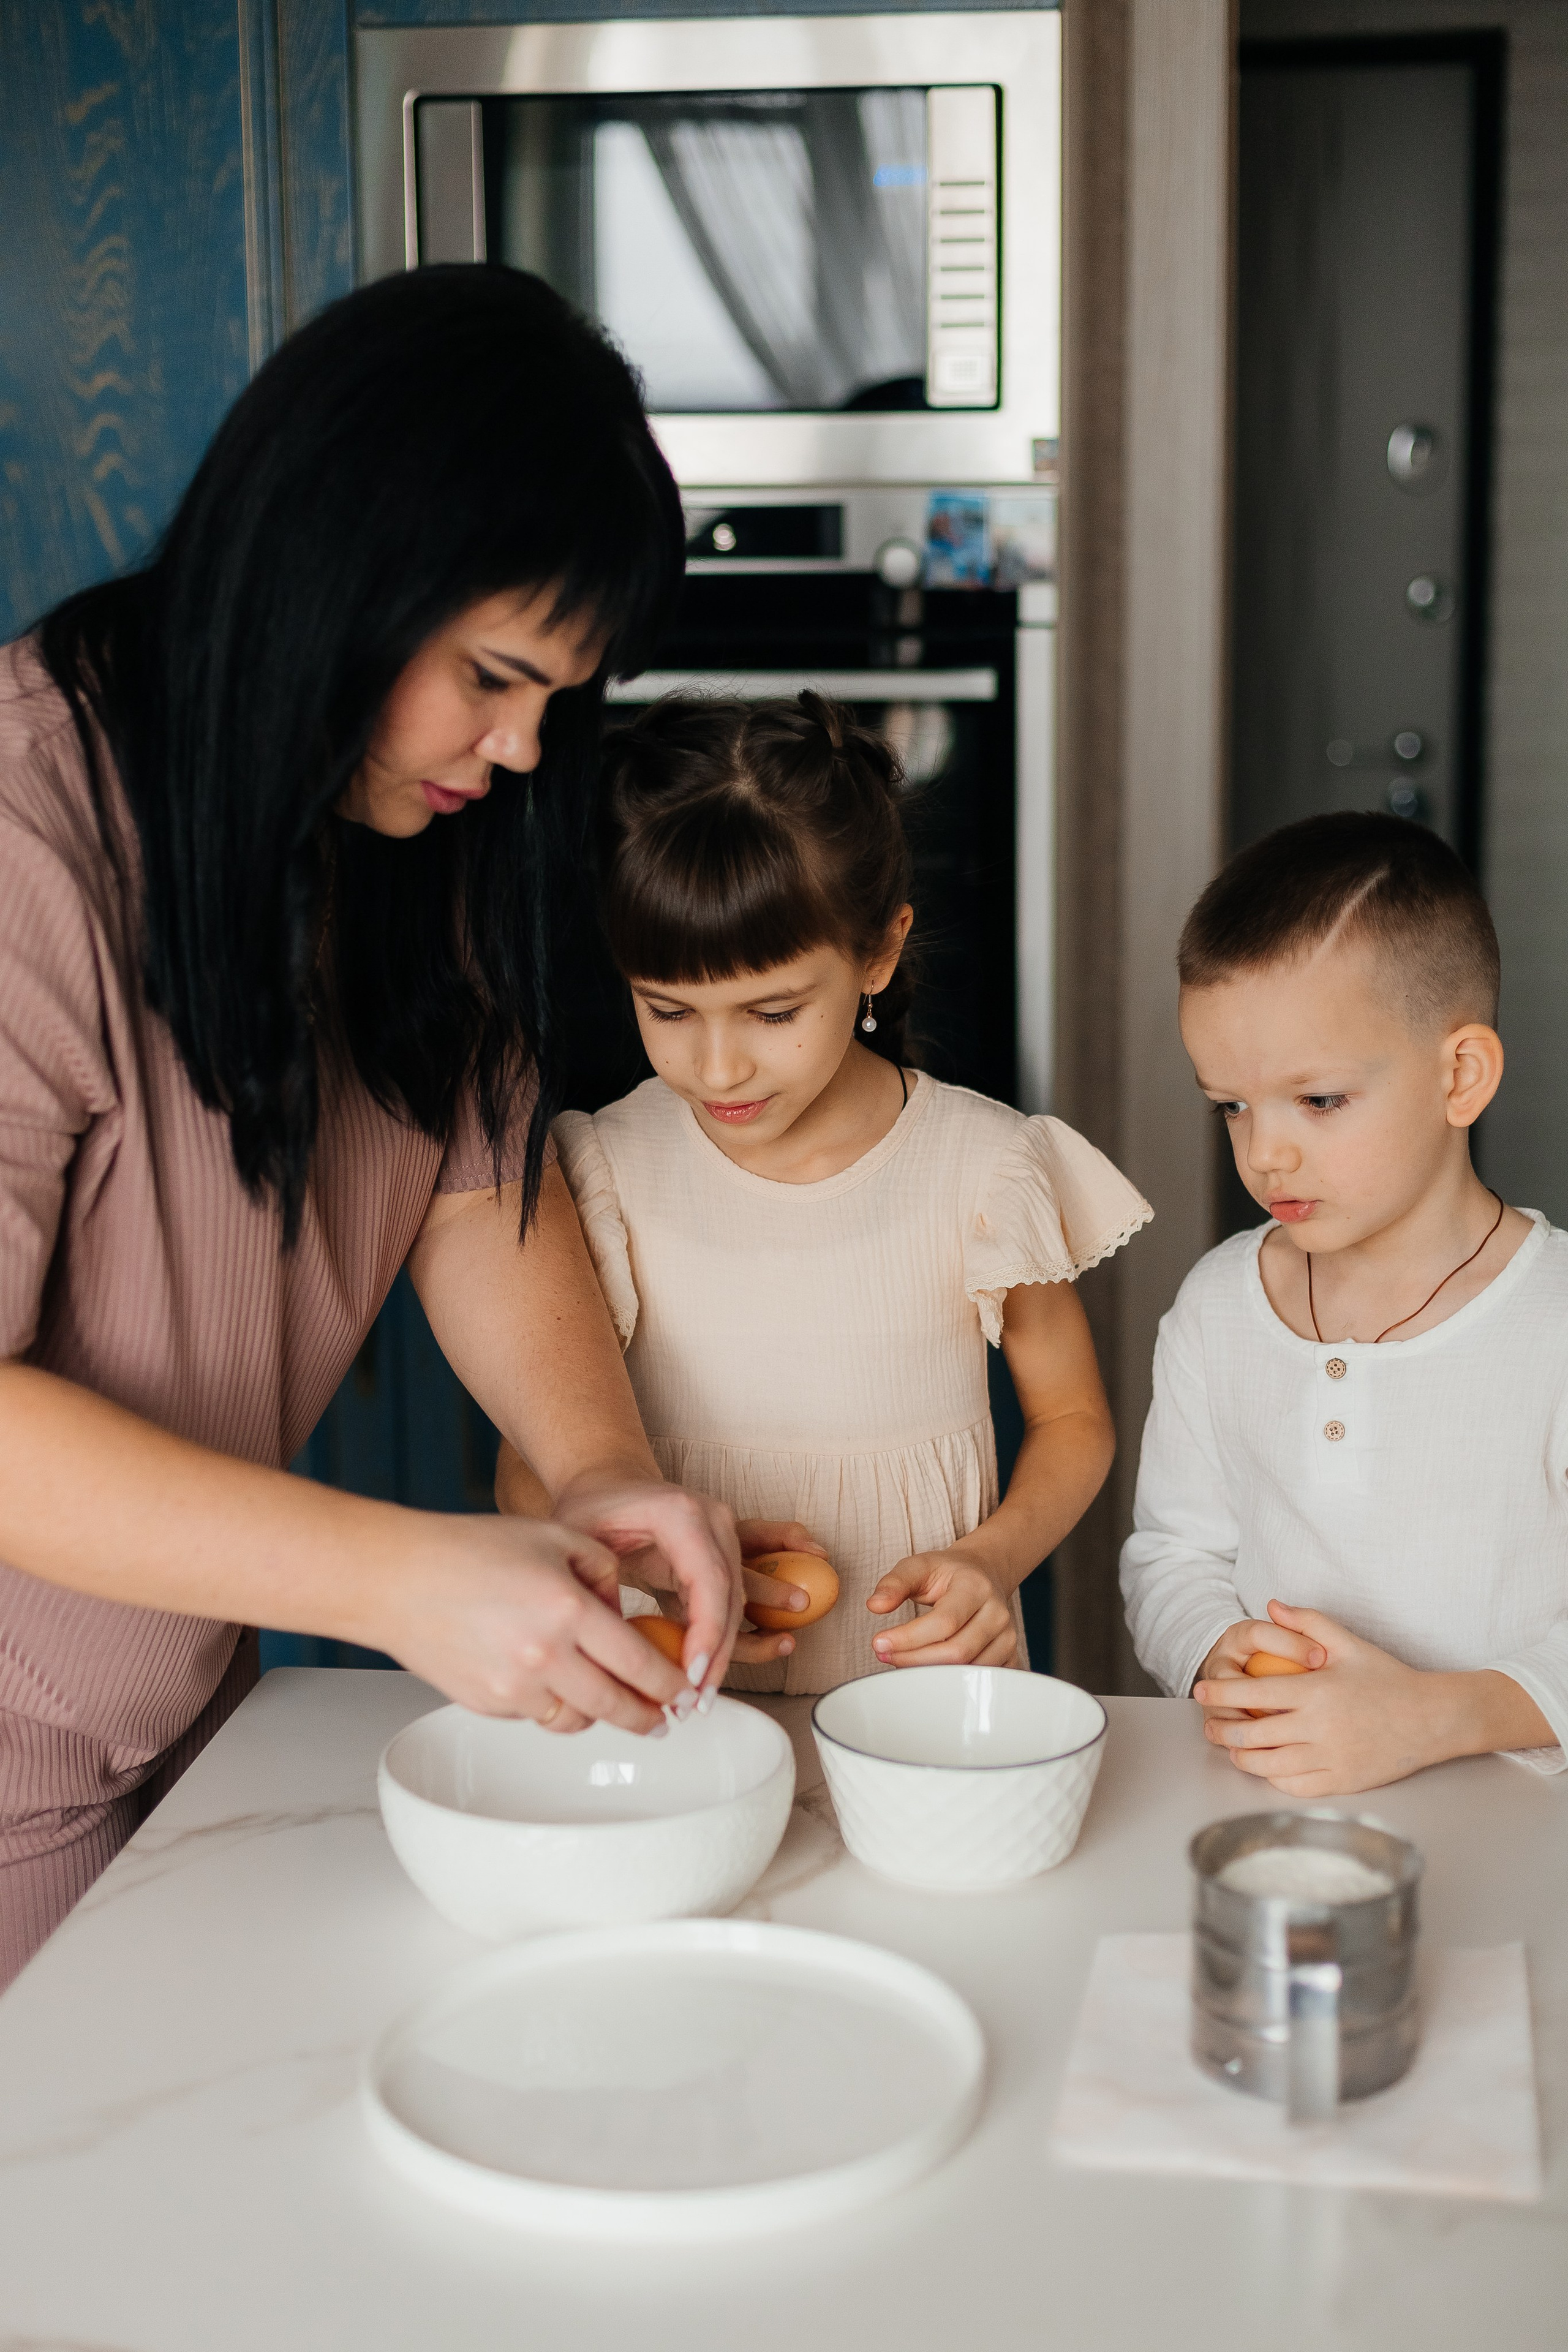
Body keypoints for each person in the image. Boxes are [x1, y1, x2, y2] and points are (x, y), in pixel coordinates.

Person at [0, 266, 755, 1988]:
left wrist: (603, 1464)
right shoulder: (26, 831)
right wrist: (405, 1580)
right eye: (493, 676)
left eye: (557, 699)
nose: (515, 750)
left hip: (191, 1717)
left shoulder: (420, 841)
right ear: (338, 568)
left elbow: (476, 1188)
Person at [497, 693, 1151, 1691]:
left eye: (771, 1011)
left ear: (879, 952)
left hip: (915, 1705)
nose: (717, 1067)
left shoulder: (983, 1167)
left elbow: (1073, 1422)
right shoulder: (606, 1174)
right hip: (679, 1701)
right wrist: (639, 1571)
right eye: (668, 1009)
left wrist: (992, 1560)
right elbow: (524, 1470)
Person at [1121, 812, 1568, 1795]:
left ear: (1461, 1075)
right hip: (1276, 1802)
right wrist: (1212, 1648)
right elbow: (1172, 1552)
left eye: (1317, 1100)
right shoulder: (1218, 1310)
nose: (1265, 1152)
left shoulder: (1555, 1324)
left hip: (1521, 1826)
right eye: (1232, 1105)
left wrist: (1431, 1716)